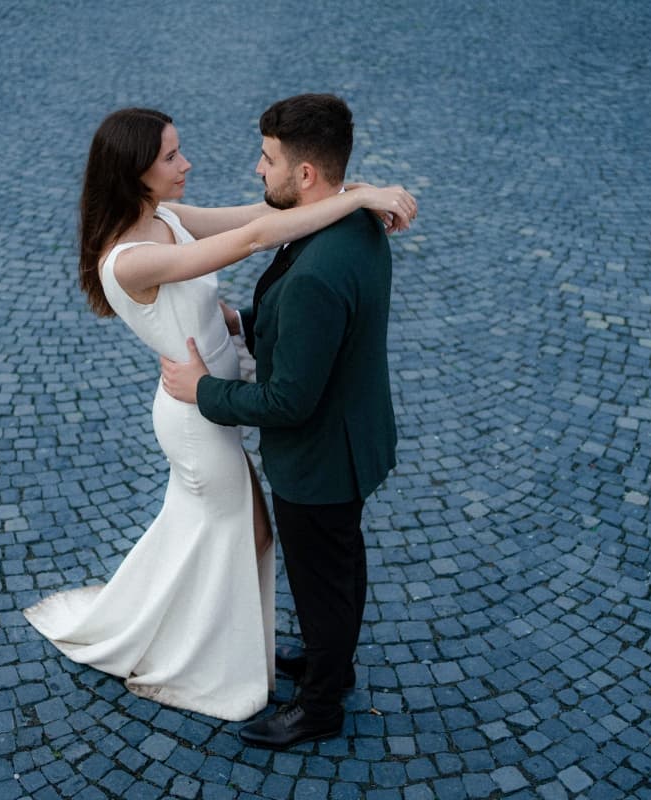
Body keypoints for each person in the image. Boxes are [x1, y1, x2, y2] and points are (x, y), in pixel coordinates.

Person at [23, 106, 415, 722]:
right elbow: (255, 238)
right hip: (193, 412)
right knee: (246, 533)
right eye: (172, 158)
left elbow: (267, 213)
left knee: (224, 532)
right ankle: (210, 659)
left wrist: (355, 193)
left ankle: (217, 643)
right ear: (134, 173)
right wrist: (361, 196)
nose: (188, 164)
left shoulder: (167, 217)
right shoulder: (131, 258)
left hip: (213, 400)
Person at [160, 93, 402, 747]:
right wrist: (254, 322)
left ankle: (320, 706)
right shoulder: (353, 224)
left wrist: (201, 389)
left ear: (306, 176)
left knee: (323, 577)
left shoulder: (316, 274)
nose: (257, 171)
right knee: (340, 563)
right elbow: (323, 338)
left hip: (320, 461)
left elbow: (286, 403)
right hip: (353, 436)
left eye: (267, 161)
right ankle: (334, 661)